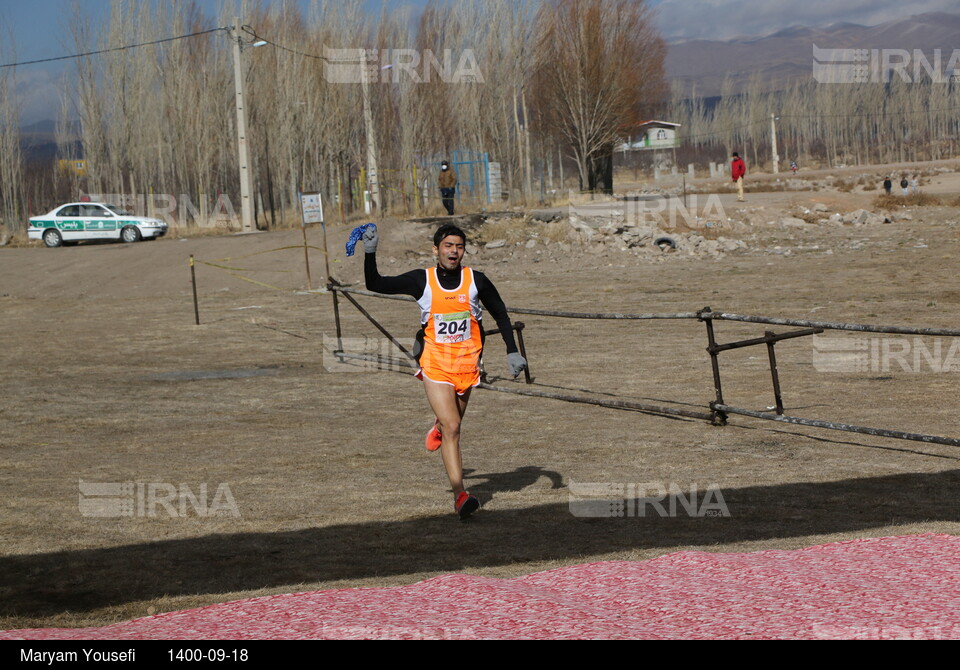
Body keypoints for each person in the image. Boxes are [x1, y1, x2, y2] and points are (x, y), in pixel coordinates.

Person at [360, 223, 527, 520]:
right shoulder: (420, 281)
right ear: (436, 249)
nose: (454, 251)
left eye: (459, 246)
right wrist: (370, 253)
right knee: (454, 428)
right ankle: (460, 495)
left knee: (451, 424)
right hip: (435, 363)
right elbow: (376, 284)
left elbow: (500, 312)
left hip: (467, 364)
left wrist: (512, 349)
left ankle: (437, 428)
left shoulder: (476, 280)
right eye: (448, 245)